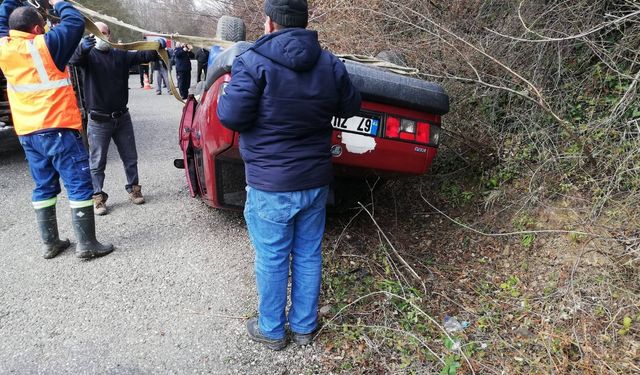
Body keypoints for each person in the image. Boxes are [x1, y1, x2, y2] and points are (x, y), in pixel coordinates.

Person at [217, 0, 361, 351]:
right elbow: (351, 107)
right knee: (309, 253)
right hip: (314, 181)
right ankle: (304, 327)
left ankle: (271, 329)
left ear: (269, 22)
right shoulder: (329, 63)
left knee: (273, 256)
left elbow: (230, 116)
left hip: (271, 184)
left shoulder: (252, 61)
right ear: (303, 21)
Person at [0, 0, 113, 259]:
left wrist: (10, 2)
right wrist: (58, 1)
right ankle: (87, 245)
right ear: (38, 29)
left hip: (28, 132)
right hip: (58, 127)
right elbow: (74, 21)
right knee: (79, 184)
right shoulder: (47, 46)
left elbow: (2, 18)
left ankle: (50, 243)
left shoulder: (4, 47)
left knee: (43, 186)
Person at [69, 22, 165, 215]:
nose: (101, 36)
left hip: (122, 118)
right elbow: (73, 60)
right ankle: (97, 197)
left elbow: (142, 55)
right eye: (97, 33)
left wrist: (158, 45)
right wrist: (81, 49)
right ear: (91, 36)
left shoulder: (119, 54)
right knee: (97, 162)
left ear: (110, 35)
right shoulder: (87, 56)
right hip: (98, 120)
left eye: (104, 32)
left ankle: (134, 189)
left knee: (130, 158)